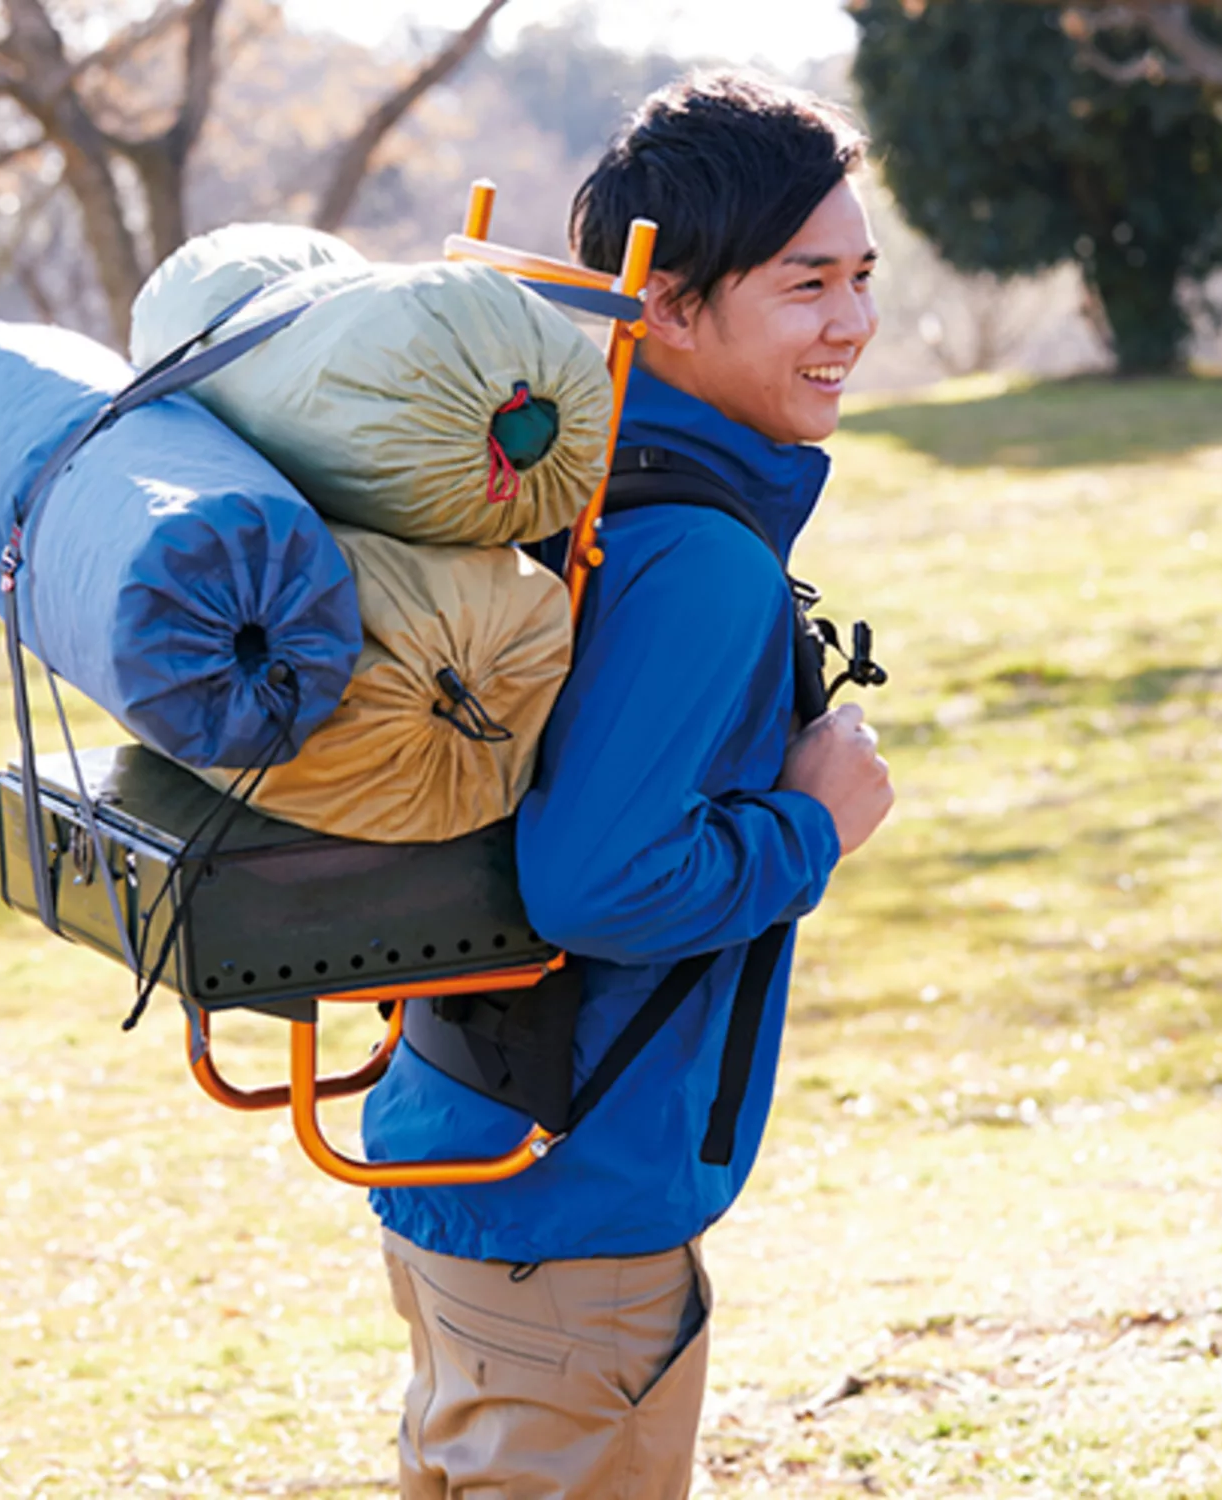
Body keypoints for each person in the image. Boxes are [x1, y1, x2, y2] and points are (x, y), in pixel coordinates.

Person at [361, 70, 895, 1499]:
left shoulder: (566, 486)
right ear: (665, 304)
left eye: (859, 275)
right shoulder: (700, 559)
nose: (851, 321)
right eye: (803, 284)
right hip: (572, 1217)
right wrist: (815, 821)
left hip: (460, 1156)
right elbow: (594, 878)